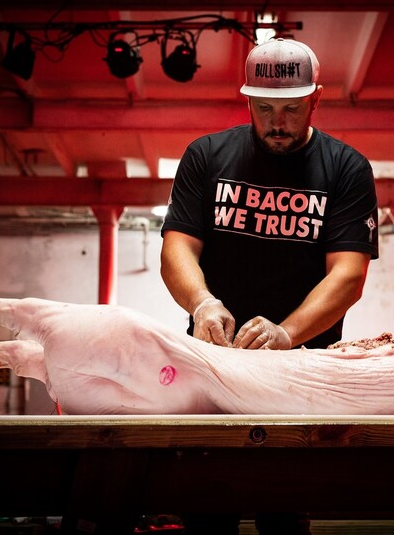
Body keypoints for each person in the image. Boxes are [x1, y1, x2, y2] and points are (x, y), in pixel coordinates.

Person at [159, 38, 380, 535]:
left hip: (301, 373)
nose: (277, 122)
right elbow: (176, 250)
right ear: (248, 102)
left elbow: (348, 275)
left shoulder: (346, 169)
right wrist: (201, 302)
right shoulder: (207, 156)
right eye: (265, 109)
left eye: (292, 109)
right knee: (206, 513)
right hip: (215, 363)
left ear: (316, 99)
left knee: (283, 514)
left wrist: (287, 332)